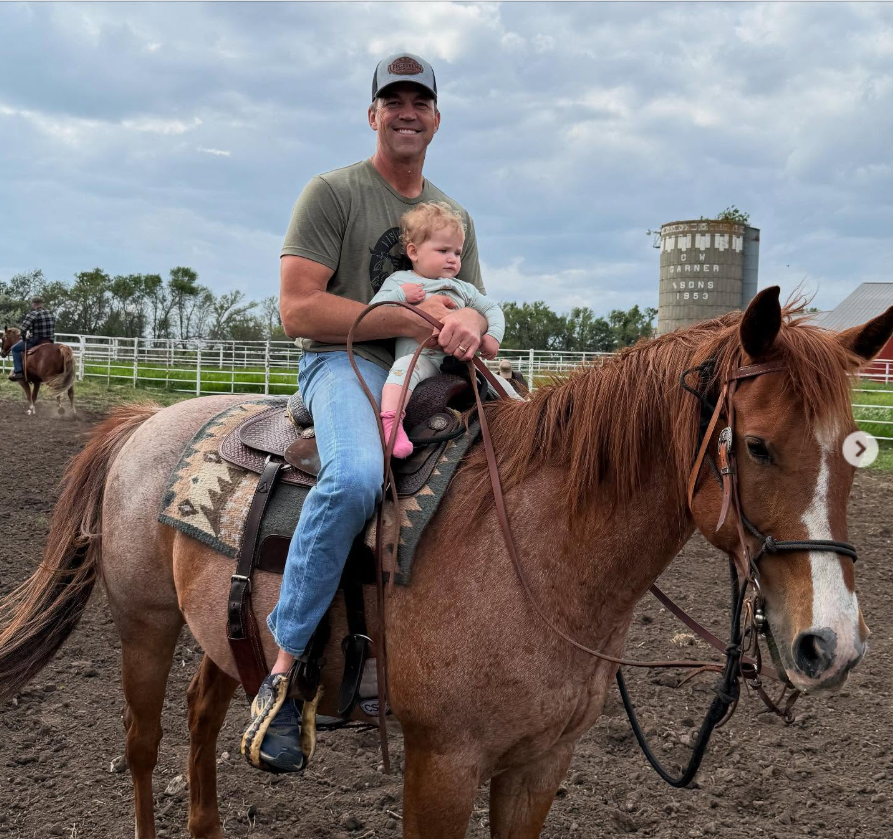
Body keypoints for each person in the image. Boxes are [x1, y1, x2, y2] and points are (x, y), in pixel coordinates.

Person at [243, 53, 491, 773]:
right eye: (393, 100)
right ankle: (285, 672)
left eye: (420, 101)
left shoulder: (453, 216)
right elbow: (298, 308)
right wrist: (402, 323)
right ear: (373, 114)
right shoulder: (333, 192)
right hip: (343, 360)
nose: (406, 111)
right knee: (354, 474)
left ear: (436, 119)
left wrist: (469, 330)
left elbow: (467, 304)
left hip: (433, 371)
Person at [370, 201, 520, 457]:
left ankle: (526, 416)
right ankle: (391, 425)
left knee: (502, 387)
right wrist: (398, 295)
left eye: (457, 253)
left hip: (462, 361)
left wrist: (493, 335)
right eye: (443, 251)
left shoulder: (463, 288)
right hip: (424, 358)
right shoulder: (400, 281)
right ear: (414, 252)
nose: (452, 259)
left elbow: (492, 309)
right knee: (402, 370)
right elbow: (373, 312)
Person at [8, 297, 55, 382]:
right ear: (41, 303)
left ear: (34, 304)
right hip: (49, 340)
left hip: (36, 340)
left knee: (14, 349)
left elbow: (23, 329)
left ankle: (18, 371)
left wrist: (23, 337)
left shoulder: (33, 314)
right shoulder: (50, 313)